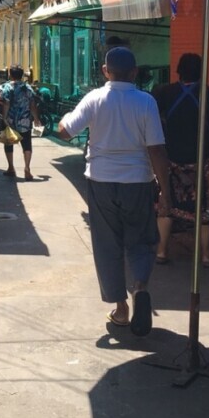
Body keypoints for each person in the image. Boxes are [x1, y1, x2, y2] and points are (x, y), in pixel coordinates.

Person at [57, 47, 172, 337]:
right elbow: (156, 149)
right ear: (134, 73)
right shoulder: (146, 102)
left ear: (106, 71)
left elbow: (64, 132)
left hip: (100, 182)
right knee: (141, 240)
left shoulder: (94, 99)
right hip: (138, 182)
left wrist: (67, 117)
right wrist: (166, 192)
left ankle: (121, 309)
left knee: (107, 245)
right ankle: (141, 287)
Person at [152, 53, 209, 267]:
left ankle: (161, 251)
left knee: (167, 205)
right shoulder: (208, 93)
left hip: (171, 161)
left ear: (178, 71)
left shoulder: (165, 92)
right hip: (202, 161)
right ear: (201, 72)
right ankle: (206, 255)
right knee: (205, 210)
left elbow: (150, 118)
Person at [1, 65, 41, 180]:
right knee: (27, 144)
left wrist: (4, 117)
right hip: (25, 120)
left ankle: (11, 168)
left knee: (9, 143)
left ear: (10, 75)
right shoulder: (27, 88)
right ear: (21, 75)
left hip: (11, 120)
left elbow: (6, 103)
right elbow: (32, 105)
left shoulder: (8, 87)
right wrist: (36, 119)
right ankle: (27, 168)